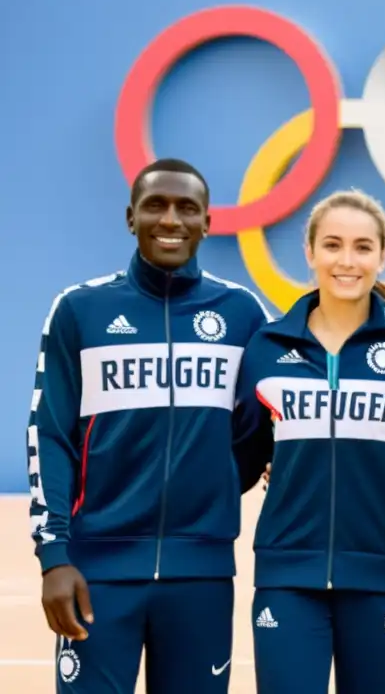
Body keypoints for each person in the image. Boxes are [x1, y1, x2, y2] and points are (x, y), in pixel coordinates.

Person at [26, 158, 273, 693]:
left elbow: (259, 429)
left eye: (187, 208)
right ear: (130, 217)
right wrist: (53, 557)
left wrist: (220, 481)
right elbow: (50, 435)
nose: (170, 220)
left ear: (208, 222)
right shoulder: (80, 310)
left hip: (202, 576)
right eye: (155, 205)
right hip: (97, 574)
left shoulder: (243, 315)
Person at [230, 190, 385, 694]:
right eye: (333, 245)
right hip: (287, 571)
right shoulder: (267, 347)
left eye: (363, 247)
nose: (347, 260)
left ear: (382, 256)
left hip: (379, 569)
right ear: (310, 252)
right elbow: (249, 452)